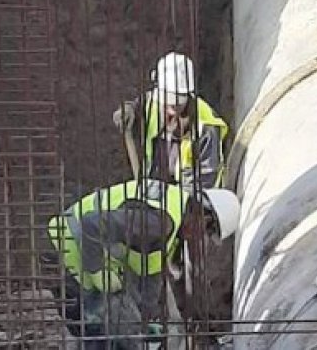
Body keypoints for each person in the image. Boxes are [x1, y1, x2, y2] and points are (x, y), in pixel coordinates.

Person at [47, 178, 241, 349]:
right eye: (207, 232)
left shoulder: (173, 220)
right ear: (203, 216)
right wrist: (98, 272)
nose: (201, 239)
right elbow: (91, 224)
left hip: (88, 252)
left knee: (119, 330)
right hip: (67, 246)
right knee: (97, 329)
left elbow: (151, 275)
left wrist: (145, 319)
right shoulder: (158, 223)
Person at [113, 52, 228, 192]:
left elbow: (204, 185)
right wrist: (127, 111)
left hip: (188, 200)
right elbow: (136, 107)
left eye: (178, 103)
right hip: (154, 188)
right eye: (168, 102)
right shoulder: (151, 105)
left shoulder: (205, 127)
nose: (172, 109)